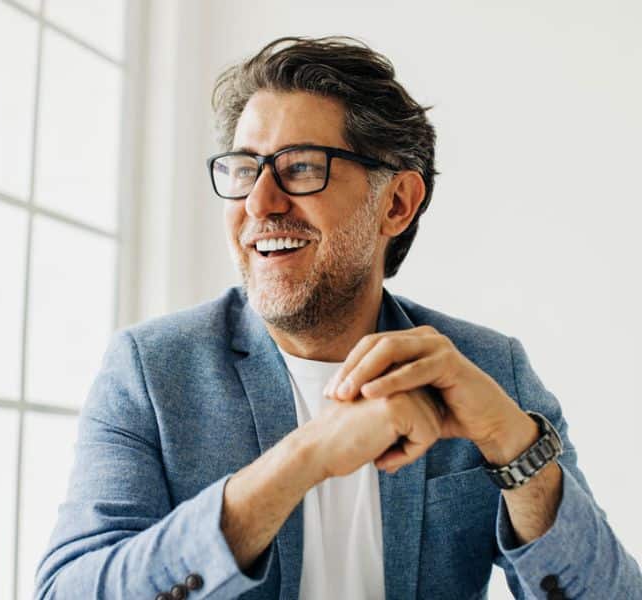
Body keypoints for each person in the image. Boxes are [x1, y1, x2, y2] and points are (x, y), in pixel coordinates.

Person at [34, 36, 641, 600]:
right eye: (245, 169)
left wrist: (517, 450)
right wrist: (301, 461)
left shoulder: (487, 370)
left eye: (300, 167)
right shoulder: (151, 370)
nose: (259, 204)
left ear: (397, 203)